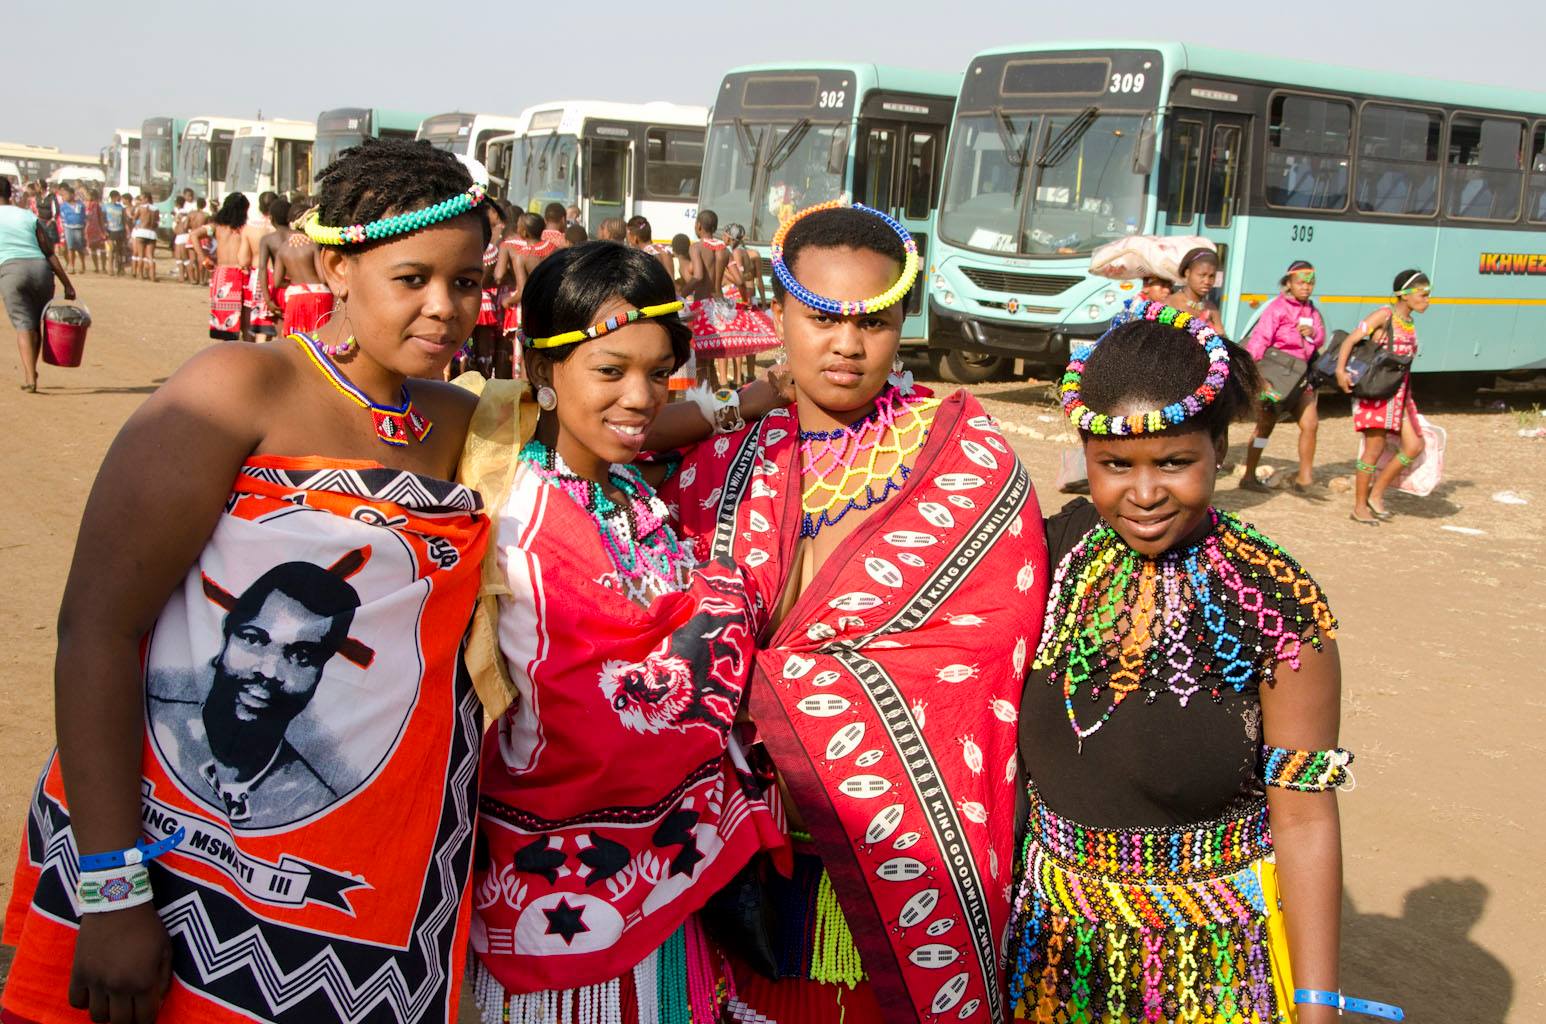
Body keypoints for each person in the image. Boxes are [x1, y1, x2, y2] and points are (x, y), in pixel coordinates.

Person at [2, 136, 494, 1024]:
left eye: (466, 283)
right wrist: (113, 892)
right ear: (338, 268)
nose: (445, 307)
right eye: (413, 278)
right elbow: (98, 630)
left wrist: (749, 404)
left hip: (360, 891)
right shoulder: (233, 390)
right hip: (174, 859)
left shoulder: (469, 425)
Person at [663, 204, 1048, 1023]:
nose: (847, 343)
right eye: (821, 317)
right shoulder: (713, 455)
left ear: (904, 321)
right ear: (778, 317)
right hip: (732, 849)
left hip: (894, 850)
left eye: (873, 320)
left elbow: (982, 655)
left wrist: (784, 686)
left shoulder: (966, 459)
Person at [1008, 298, 1365, 1024]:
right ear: (1087, 459)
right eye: (1115, 466)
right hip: (1044, 955)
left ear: (1220, 455)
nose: (1143, 494)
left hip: (1215, 966)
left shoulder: (1278, 606)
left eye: (1174, 463)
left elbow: (1303, 820)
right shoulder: (1047, 554)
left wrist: (1319, 1005)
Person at [463, 241, 791, 1022]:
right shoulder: (505, 510)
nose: (640, 397)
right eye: (610, 372)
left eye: (656, 371)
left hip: (670, 875)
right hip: (558, 886)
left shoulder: (633, 494)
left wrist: (753, 400)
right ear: (541, 371)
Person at [1335, 269, 1430, 524]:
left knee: (1413, 446)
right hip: (1377, 393)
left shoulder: (1409, 323)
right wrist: (1340, 370)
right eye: (1423, 294)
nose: (1427, 300)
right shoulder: (1383, 315)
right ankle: (1358, 507)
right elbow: (1350, 340)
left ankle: (1376, 495)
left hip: (1400, 396)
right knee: (1373, 448)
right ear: (1405, 295)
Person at [1242, 259, 1327, 492]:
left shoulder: (1312, 311)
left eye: (1310, 284)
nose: (1306, 287)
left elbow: (1320, 338)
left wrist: (1312, 333)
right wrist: (1256, 378)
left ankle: (1305, 479)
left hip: (1301, 378)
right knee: (1265, 427)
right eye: (1300, 283)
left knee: (1311, 424)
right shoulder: (1276, 309)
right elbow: (1259, 340)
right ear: (1288, 283)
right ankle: (1249, 475)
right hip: (1275, 377)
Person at [0, 175, 76, 392]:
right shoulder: (27, 215)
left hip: (11, 271)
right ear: (9, 193)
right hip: (41, 271)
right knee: (37, 322)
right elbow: (49, 252)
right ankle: (32, 370)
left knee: (24, 326)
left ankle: (30, 377)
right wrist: (67, 284)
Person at [190, 193, 254, 341]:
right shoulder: (245, 230)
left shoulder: (216, 228)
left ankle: (229, 355)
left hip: (223, 274)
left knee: (226, 324)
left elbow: (194, 235)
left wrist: (203, 257)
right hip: (242, 273)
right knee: (246, 322)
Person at [270, 197, 334, 338]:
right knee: (322, 339)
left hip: (296, 298)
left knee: (296, 341)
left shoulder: (283, 249)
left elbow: (276, 282)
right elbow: (323, 277)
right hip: (320, 296)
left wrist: (295, 284)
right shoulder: (313, 245)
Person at [242, 191, 279, 339]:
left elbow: (243, 259)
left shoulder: (250, 228)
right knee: (272, 326)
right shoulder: (280, 228)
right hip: (278, 275)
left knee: (258, 325)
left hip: (258, 276)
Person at [1174, 246, 1225, 334]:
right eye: (1202, 275)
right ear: (1188, 273)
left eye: (1211, 276)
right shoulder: (1172, 303)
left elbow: (1223, 340)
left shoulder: (1211, 308)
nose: (1207, 281)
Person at [626, 214, 673, 279]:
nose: (628, 241)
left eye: (628, 237)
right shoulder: (664, 249)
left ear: (635, 238)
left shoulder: (643, 255)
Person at [57, 185, 87, 274]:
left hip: (79, 227)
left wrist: (84, 228)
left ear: (72, 195)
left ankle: (82, 264)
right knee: (70, 247)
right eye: (63, 195)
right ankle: (72, 266)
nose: (64, 197)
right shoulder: (63, 206)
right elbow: (62, 218)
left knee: (79, 247)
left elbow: (84, 216)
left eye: (66, 195)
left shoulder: (80, 205)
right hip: (68, 228)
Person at [131, 191, 159, 282]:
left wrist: (136, 224)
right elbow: (157, 222)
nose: (141, 200)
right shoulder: (156, 209)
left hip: (141, 232)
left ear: (146, 199)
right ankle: (152, 276)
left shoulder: (140, 208)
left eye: (142, 199)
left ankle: (141, 275)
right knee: (150, 256)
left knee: (141, 255)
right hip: (151, 233)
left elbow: (134, 218)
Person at [186, 197, 211, 286]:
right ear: (204, 205)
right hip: (202, 237)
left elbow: (185, 226)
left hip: (192, 235)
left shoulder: (190, 214)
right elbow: (209, 229)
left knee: (192, 260)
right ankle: (202, 280)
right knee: (202, 259)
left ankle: (192, 279)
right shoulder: (206, 215)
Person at [102, 190, 128, 276]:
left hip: (120, 230)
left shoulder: (121, 207)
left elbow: (124, 220)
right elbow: (103, 219)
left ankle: (120, 268)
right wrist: (104, 230)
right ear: (114, 197)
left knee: (119, 250)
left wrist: (125, 231)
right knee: (111, 249)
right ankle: (110, 268)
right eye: (118, 196)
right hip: (110, 230)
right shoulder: (106, 206)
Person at [84, 189, 107, 274]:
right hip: (90, 229)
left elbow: (100, 217)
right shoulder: (86, 205)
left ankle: (103, 267)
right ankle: (97, 267)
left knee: (101, 248)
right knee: (93, 248)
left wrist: (103, 230)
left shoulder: (96, 205)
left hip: (97, 229)